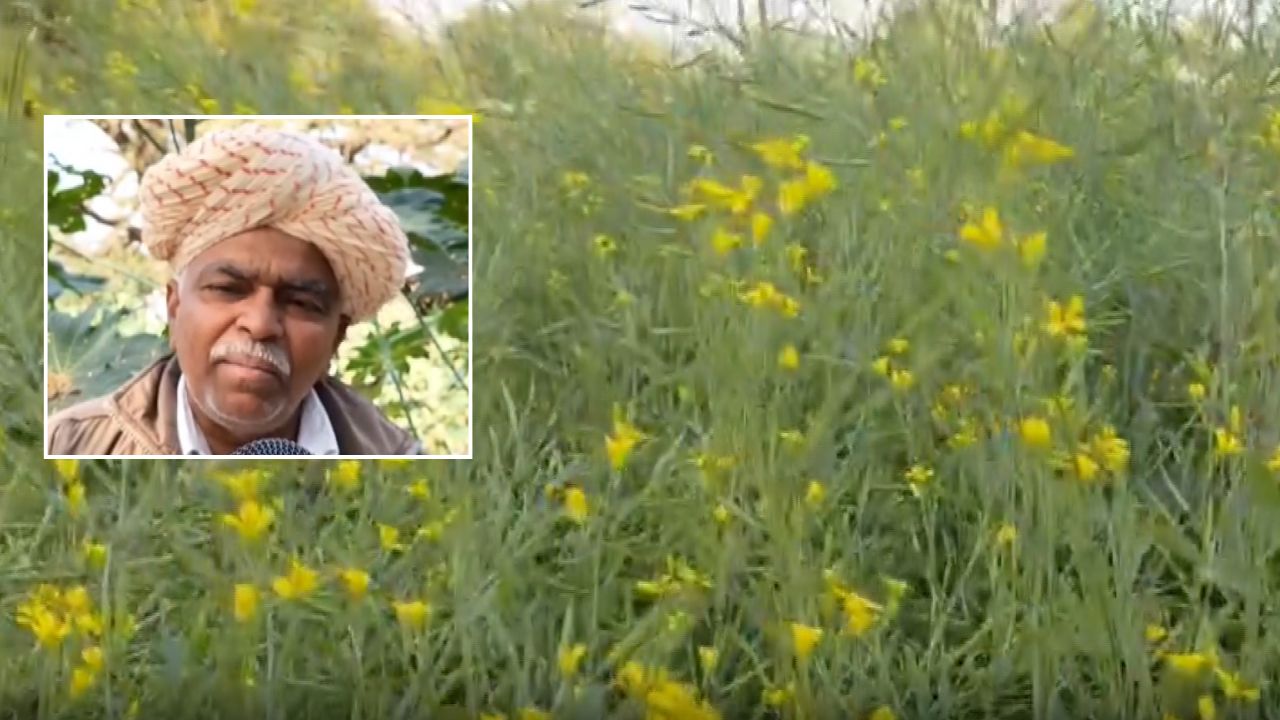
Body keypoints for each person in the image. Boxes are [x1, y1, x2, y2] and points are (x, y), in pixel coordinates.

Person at [47, 124, 422, 456]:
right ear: (174, 308)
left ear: (336, 338)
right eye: (228, 289)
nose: (260, 324)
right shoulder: (69, 446)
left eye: (301, 302)